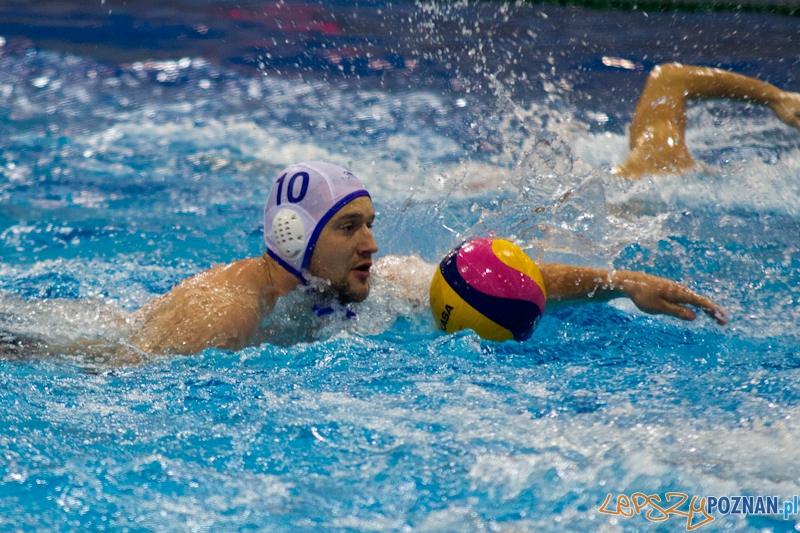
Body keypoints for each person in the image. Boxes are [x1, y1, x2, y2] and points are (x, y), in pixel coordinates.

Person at [128, 160, 726, 355]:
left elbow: (496, 280)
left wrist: (621, 283)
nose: (371, 244)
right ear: (293, 239)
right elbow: (127, 387)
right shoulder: (223, 315)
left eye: (370, 224)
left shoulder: (366, 283)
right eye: (348, 228)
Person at [614, 62, 800, 178]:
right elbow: (670, 77)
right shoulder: (653, 159)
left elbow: (671, 79)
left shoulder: (650, 161)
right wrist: (778, 98)